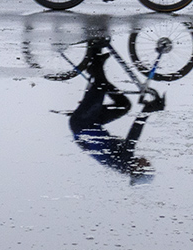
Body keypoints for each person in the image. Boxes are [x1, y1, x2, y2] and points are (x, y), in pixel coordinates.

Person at [68, 36, 163, 184]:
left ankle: (95, 59)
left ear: (137, 169)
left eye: (148, 166)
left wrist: (147, 111)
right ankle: (96, 65)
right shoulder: (121, 164)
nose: (148, 162)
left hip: (82, 123)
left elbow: (134, 134)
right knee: (123, 106)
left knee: (100, 87)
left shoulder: (124, 161)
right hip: (91, 123)